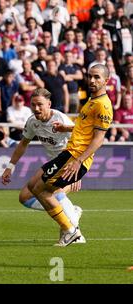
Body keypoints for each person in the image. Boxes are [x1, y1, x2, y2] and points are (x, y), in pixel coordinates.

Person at [27, 64, 113, 247]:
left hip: (75, 157)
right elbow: (84, 128)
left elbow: (98, 139)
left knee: (42, 190)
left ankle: (70, 229)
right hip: (69, 153)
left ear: (107, 80)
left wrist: (79, 161)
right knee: (34, 186)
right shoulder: (91, 101)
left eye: (97, 77)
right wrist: (66, 128)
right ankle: (70, 224)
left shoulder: (103, 105)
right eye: (90, 76)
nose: (92, 80)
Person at [1, 88, 84, 243]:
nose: (36, 108)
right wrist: (10, 167)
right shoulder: (33, 121)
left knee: (50, 192)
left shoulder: (60, 119)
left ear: (49, 104)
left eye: (40, 104)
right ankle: (71, 214)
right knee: (25, 197)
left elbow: (81, 138)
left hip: (69, 163)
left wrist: (77, 167)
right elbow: (23, 144)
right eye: (33, 105)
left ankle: (73, 231)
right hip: (53, 163)